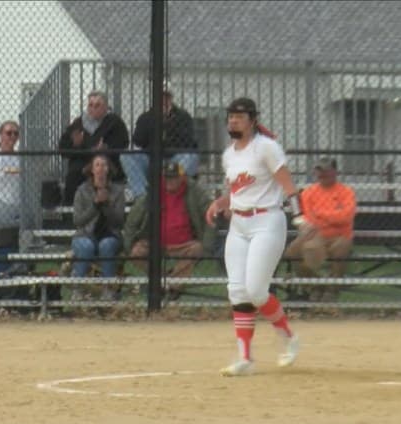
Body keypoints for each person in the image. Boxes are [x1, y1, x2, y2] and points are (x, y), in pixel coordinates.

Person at [204, 98, 306, 376]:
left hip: (267, 221)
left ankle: (288, 337)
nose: (233, 121)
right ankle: (245, 358)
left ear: (252, 121)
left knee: (257, 291)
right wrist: (220, 203)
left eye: (239, 116)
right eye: (230, 116)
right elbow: (236, 191)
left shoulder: (266, 148)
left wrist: (299, 215)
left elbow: (288, 185)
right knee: (237, 290)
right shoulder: (229, 155)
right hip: (239, 224)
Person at [123, 161, 214, 300]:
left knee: (197, 249)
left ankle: (169, 285)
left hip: (184, 244)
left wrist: (207, 245)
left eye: (174, 177)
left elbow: (211, 214)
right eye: (167, 177)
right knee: (137, 252)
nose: (170, 181)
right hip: (156, 244)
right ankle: (166, 280)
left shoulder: (194, 191)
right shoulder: (153, 192)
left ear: (182, 177)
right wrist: (128, 245)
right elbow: (133, 219)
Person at [283, 158, 357, 302]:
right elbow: (307, 218)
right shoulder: (309, 192)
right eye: (319, 171)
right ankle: (316, 286)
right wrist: (332, 215)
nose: (322, 174)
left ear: (335, 172)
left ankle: (332, 290)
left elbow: (346, 217)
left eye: (326, 170)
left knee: (341, 250)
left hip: (340, 235)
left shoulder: (346, 192)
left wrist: (320, 214)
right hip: (314, 235)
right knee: (293, 253)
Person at [120, 88, 199, 200]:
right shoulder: (146, 117)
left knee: (192, 157)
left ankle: (171, 192)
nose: (164, 100)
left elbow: (188, 141)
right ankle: (143, 196)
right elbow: (138, 141)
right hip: (151, 158)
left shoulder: (183, 116)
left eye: (167, 97)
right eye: (161, 97)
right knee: (126, 156)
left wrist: (168, 124)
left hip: (175, 158)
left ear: (171, 99)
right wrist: (155, 122)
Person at [58, 91, 129, 205]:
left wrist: (106, 148)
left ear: (105, 107)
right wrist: (75, 145)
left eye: (97, 105)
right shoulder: (78, 123)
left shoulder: (114, 122)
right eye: (90, 105)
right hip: (82, 161)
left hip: (106, 160)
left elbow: (123, 143)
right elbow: (63, 148)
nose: (93, 109)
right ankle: (71, 207)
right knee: (74, 172)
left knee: (101, 168)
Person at [71, 154, 125, 301]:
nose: (101, 169)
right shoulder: (82, 190)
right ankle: (78, 288)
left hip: (110, 234)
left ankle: (108, 289)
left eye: (104, 165)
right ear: (92, 170)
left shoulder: (118, 191)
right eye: (97, 165)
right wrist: (95, 205)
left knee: (107, 245)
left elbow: (119, 222)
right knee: (86, 246)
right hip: (85, 234)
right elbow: (78, 221)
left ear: (109, 169)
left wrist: (106, 205)